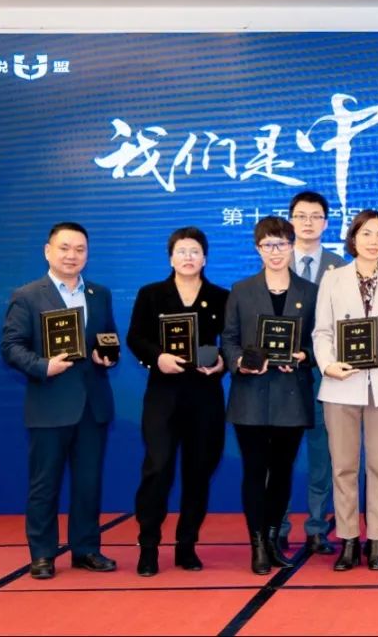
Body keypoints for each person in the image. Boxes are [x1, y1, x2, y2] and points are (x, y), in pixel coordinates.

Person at [1, 222, 119, 580]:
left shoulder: (99, 294)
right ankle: (42, 554)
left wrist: (106, 357)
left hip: (93, 406)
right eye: (65, 248)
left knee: (88, 484)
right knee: (45, 485)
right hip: (49, 405)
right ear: (47, 251)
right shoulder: (27, 295)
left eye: (80, 249)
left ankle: (86, 549)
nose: (72, 255)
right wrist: (42, 366)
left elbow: (107, 339)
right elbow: (11, 347)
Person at [313, 210, 378, 572]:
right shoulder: (332, 278)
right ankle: (348, 541)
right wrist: (327, 364)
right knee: (343, 467)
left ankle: (376, 541)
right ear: (353, 238)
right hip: (341, 384)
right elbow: (322, 331)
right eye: (366, 233)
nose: (374, 241)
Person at [127, 227, 228, 576]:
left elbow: (231, 342)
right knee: (158, 468)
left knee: (199, 472)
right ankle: (148, 546)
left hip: (205, 396)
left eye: (195, 251)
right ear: (171, 258)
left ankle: (187, 545)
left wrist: (222, 363)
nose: (188, 257)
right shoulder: (151, 294)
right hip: (163, 395)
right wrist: (158, 358)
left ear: (205, 258)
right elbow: (136, 337)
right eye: (181, 251)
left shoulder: (220, 296)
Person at [221, 216, 317, 575]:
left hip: (291, 396)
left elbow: (318, 339)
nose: (275, 252)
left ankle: (274, 538)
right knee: (254, 470)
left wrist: (303, 356)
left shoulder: (309, 291)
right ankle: (258, 543)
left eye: (281, 244)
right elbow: (228, 339)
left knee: (282, 472)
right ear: (257, 249)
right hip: (251, 395)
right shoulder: (241, 290)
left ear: (292, 247)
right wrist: (240, 362)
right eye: (268, 245)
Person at [276, 191, 347, 556]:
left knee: (322, 456)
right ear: (290, 220)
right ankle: (278, 526)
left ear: (326, 223)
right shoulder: (276, 260)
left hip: (324, 375)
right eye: (301, 216)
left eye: (315, 216)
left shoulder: (340, 266)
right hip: (282, 375)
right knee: (281, 457)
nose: (307, 222)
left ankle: (318, 526)